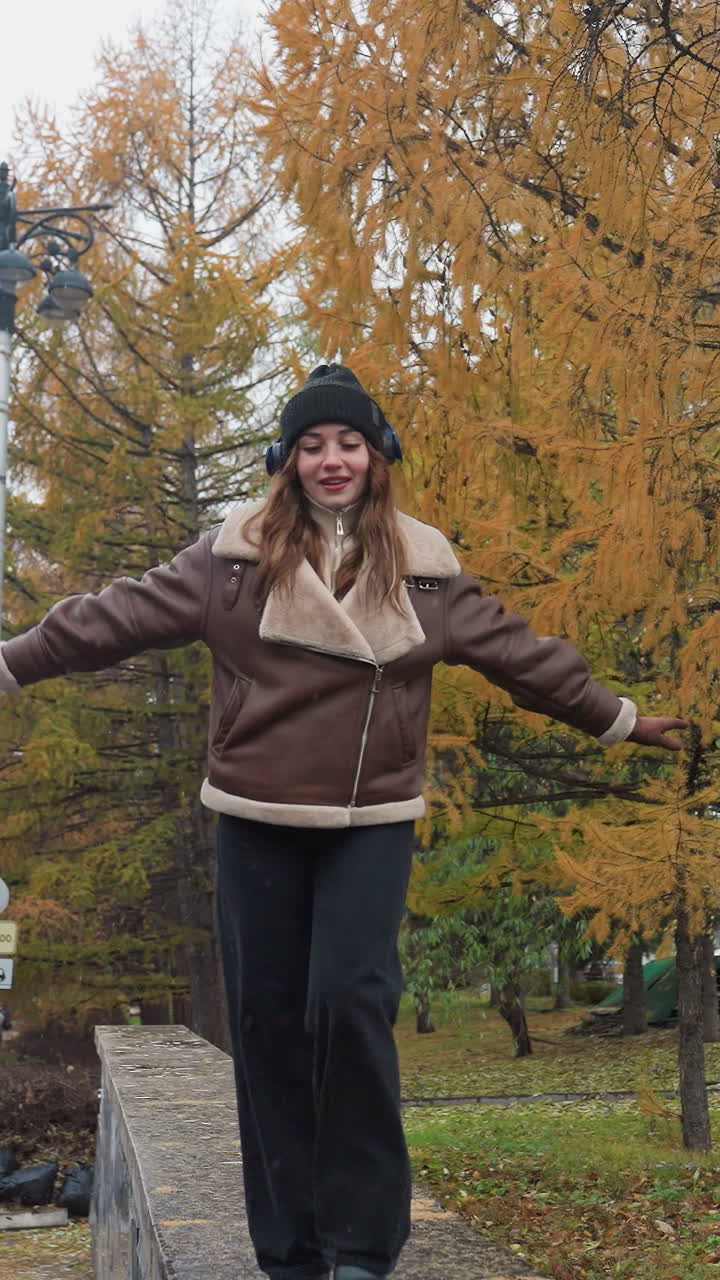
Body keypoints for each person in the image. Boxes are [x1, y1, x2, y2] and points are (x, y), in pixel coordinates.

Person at [0, 363, 687, 1280]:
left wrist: (617, 716)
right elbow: (112, 617)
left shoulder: (427, 572)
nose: (333, 461)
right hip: (257, 816)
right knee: (269, 1023)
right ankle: (289, 1249)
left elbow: (521, 654)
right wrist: (10, 663)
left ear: (377, 456)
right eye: (314, 445)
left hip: (370, 819)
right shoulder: (231, 562)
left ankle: (363, 1245)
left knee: (352, 1007)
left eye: (350, 443)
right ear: (288, 461)